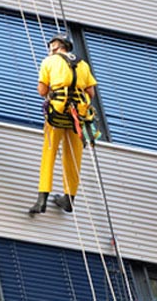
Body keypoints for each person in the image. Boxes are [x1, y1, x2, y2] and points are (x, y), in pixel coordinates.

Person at [29, 34, 97, 215]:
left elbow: (42, 89)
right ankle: (69, 198)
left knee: (49, 153)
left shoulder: (49, 62)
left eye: (51, 45)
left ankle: (41, 200)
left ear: (57, 45)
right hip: (78, 115)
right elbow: (90, 92)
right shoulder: (83, 64)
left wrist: (55, 90)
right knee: (74, 157)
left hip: (57, 111)